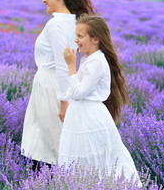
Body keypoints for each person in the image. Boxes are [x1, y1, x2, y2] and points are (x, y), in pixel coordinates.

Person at [20, 0, 95, 171]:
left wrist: (64, 104)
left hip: (51, 88)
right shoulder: (72, 21)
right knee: (50, 143)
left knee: (49, 146)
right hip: (54, 86)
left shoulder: (56, 24)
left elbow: (63, 64)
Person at [59, 14, 142, 185]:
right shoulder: (88, 58)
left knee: (92, 162)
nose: (76, 40)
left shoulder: (96, 62)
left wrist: (70, 65)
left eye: (80, 36)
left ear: (95, 39)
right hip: (81, 115)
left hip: (89, 118)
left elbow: (79, 92)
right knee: (79, 161)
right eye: (76, 35)